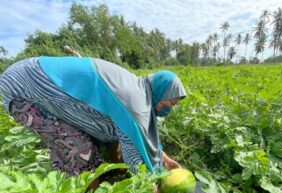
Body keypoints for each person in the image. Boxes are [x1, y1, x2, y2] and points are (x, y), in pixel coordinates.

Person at [0, 56, 187, 177]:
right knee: (80, 149)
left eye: (175, 103)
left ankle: (111, 174)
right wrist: (151, 183)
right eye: (171, 101)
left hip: (30, 75)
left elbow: (141, 135)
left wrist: (164, 159)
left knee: (111, 130)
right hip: (23, 88)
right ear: (160, 92)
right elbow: (132, 150)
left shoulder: (141, 89)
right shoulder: (134, 99)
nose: (171, 107)